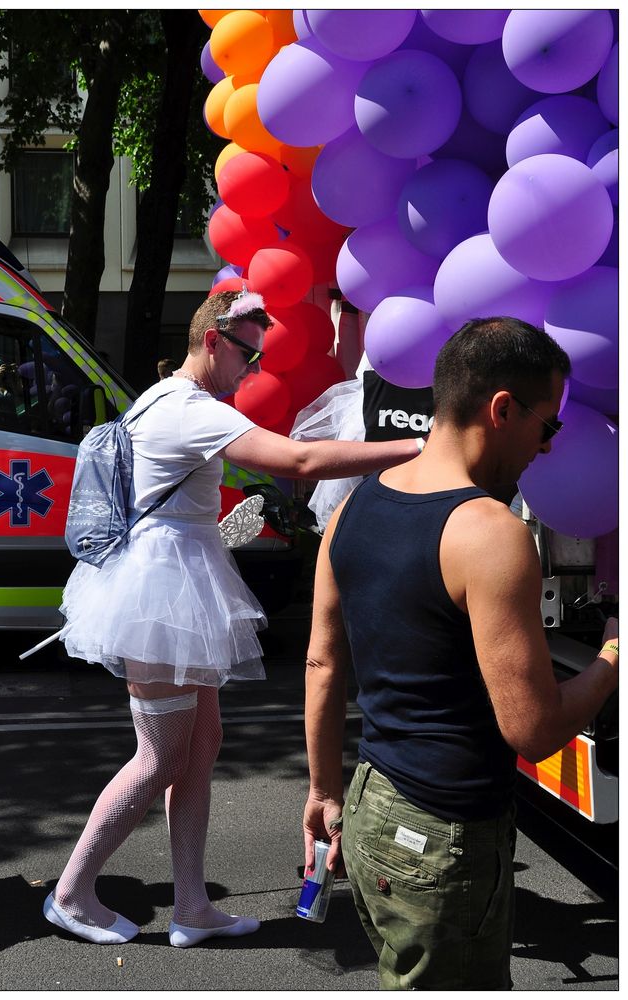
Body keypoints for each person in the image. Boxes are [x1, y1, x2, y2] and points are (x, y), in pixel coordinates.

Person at [45, 288, 422, 948]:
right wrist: (415, 448)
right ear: (212, 341)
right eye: (247, 353)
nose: (252, 368)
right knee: (159, 757)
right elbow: (301, 460)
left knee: (201, 747)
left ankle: (192, 908)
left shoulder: (163, 398)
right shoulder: (189, 409)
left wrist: (221, 529)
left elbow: (176, 504)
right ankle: (72, 895)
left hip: (175, 578)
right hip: (159, 590)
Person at [302, 316, 619, 991]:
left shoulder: (349, 513)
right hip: (443, 837)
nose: (546, 447)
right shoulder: (490, 533)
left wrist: (322, 789)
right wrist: (613, 654)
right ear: (502, 409)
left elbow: (323, 666)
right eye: (549, 426)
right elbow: (532, 730)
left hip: (371, 806)